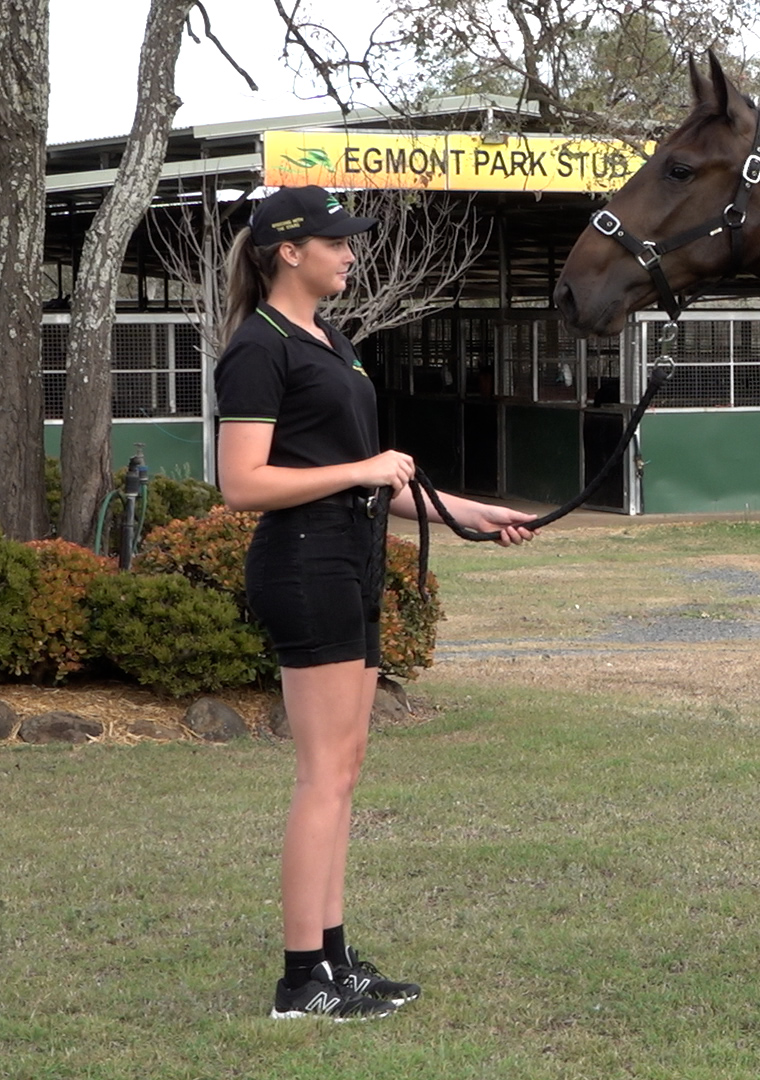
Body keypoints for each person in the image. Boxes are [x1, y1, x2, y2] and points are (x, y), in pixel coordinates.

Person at [214, 186, 539, 1021]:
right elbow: (241, 483)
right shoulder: (259, 346)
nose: (351, 253)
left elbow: (375, 478)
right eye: (337, 241)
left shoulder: (333, 341)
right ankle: (300, 981)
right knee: (322, 773)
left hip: (350, 555)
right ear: (289, 251)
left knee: (345, 768)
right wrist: (364, 469)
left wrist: (471, 513)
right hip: (304, 561)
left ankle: (333, 958)